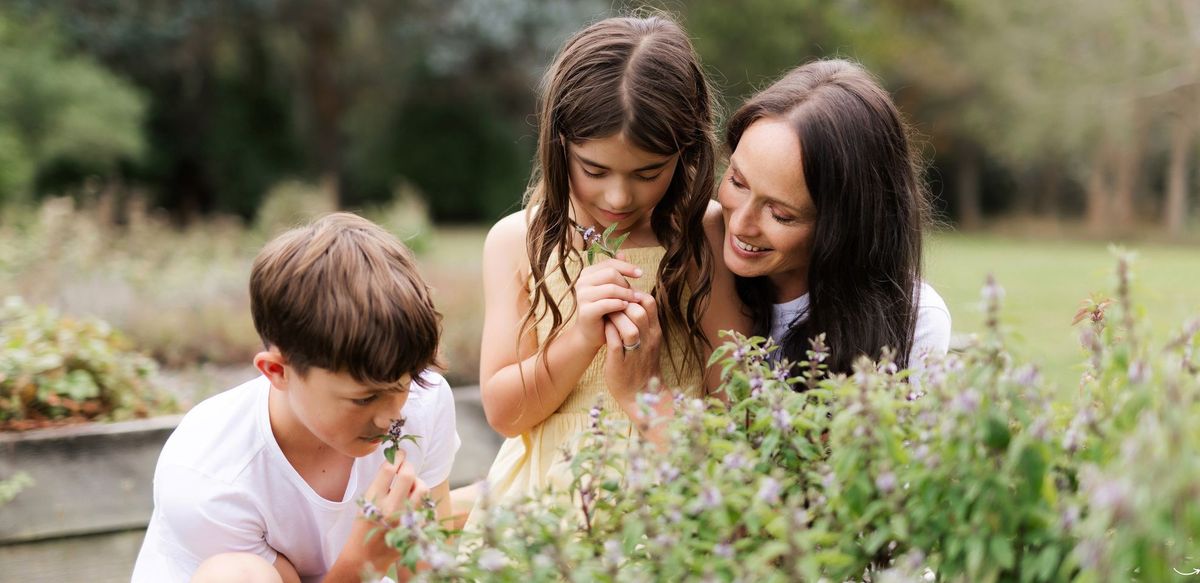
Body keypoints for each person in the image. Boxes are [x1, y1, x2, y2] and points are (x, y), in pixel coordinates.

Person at [464, 14, 747, 523]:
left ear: (685, 152)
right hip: (547, 512)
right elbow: (506, 414)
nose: (618, 197)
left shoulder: (703, 234)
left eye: (647, 173)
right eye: (594, 170)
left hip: (667, 501)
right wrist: (578, 337)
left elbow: (738, 406)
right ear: (559, 145)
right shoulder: (517, 241)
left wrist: (649, 392)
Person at [131, 213, 461, 582]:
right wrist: (364, 558)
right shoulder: (211, 476)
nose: (390, 418)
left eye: (401, 384)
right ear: (277, 372)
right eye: (364, 399)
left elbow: (432, 569)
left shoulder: (423, 400)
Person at [717, 59, 951, 376]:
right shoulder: (697, 261)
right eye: (737, 182)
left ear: (845, 225)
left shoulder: (913, 320)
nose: (740, 224)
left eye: (781, 214)